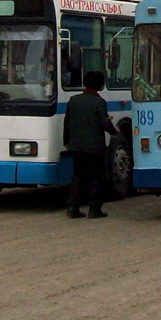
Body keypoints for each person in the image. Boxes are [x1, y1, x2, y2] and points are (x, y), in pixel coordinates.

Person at [63, 71, 117, 218]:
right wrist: (114, 131)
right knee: (95, 178)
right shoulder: (99, 102)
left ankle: (73, 207)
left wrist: (66, 142)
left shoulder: (73, 101)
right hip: (94, 148)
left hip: (76, 147)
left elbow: (67, 124)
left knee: (78, 177)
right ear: (100, 85)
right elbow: (104, 122)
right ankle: (94, 209)